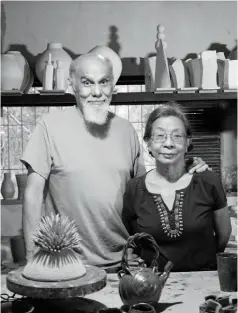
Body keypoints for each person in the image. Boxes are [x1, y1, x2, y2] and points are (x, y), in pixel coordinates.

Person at [20, 46, 210, 269]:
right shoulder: (49, 127)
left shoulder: (126, 130)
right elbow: (32, 196)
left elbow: (145, 194)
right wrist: (32, 258)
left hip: (123, 264)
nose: (97, 92)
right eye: (87, 82)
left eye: (104, 81)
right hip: (67, 265)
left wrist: (184, 168)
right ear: (73, 85)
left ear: (112, 85)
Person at [122, 102, 232, 272]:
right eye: (160, 136)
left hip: (202, 282)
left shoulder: (208, 181)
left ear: (188, 142)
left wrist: (208, 262)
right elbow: (132, 240)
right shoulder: (134, 189)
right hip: (150, 285)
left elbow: (223, 235)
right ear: (148, 143)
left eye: (177, 136)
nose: (169, 143)